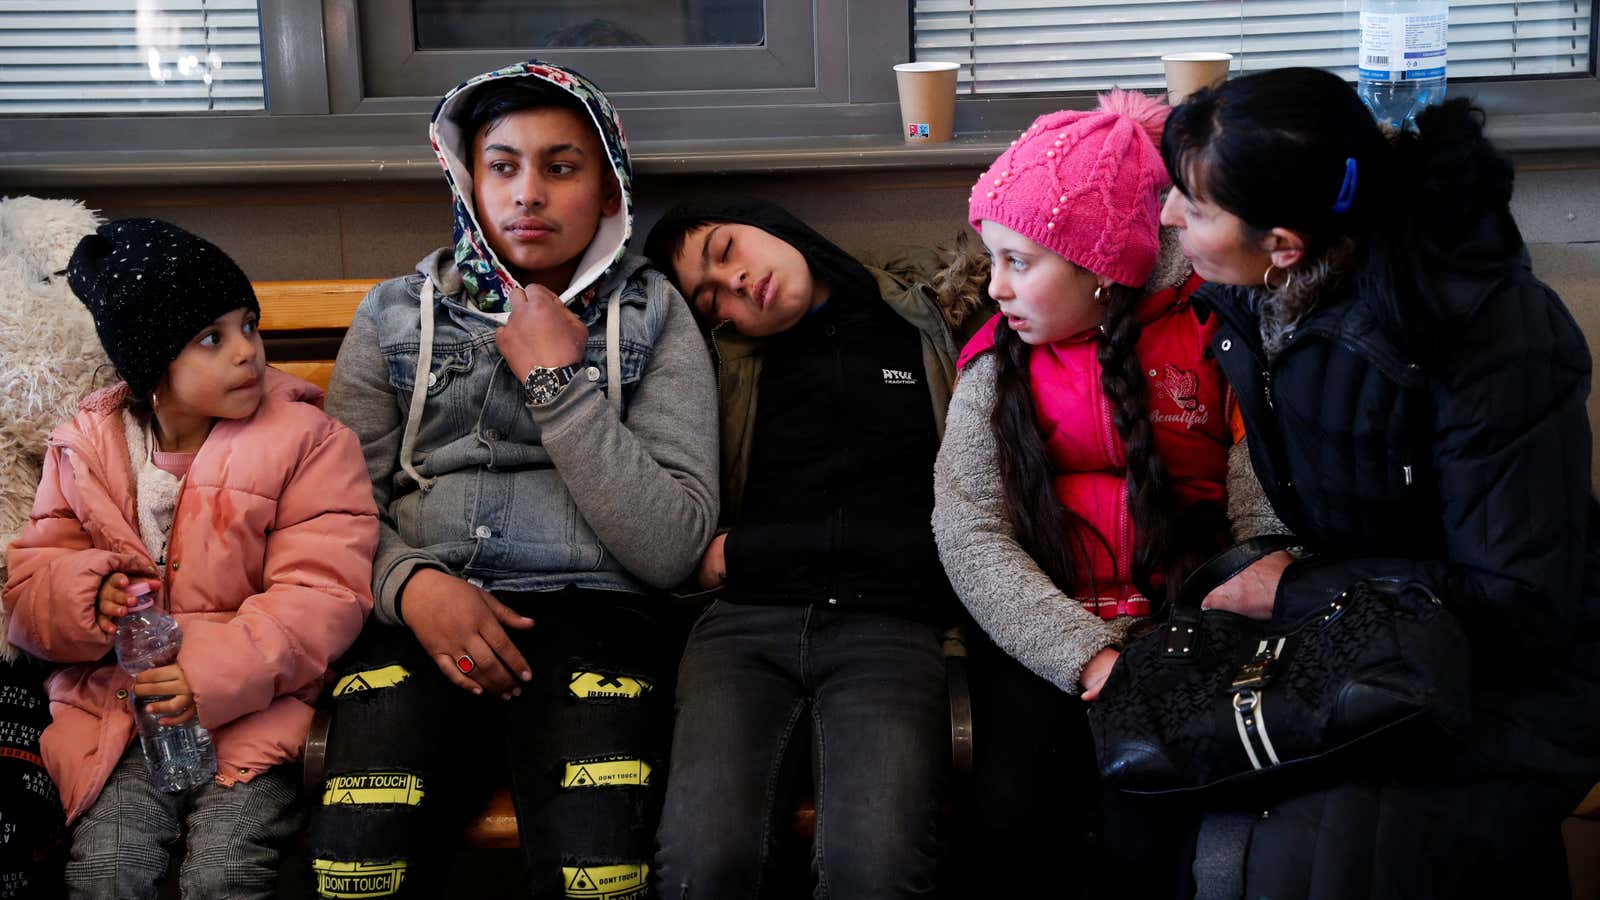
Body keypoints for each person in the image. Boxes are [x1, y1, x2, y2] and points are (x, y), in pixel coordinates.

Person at [1159, 66, 1600, 898]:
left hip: (1523, 669)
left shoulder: (1485, 332)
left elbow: (1521, 602)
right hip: (1384, 636)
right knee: (1184, 812)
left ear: (1283, 242)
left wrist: (1295, 591)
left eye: (1195, 205)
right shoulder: (1268, 292)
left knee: (1305, 867)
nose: (1167, 217)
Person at [306, 59, 718, 899]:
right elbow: (330, 512)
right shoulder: (393, 314)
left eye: (561, 167)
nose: (527, 193)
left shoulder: (655, 314)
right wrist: (410, 585)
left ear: (609, 191)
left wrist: (557, 384)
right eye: (503, 165)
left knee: (597, 873)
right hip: (418, 616)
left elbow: (674, 543)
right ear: (467, 176)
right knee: (358, 865)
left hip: (599, 616)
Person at [3, 218, 380, 899]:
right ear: (152, 362)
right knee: (107, 868)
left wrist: (205, 675)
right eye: (212, 338)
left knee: (225, 870)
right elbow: (30, 590)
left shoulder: (307, 441)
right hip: (120, 723)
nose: (247, 353)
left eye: (249, 326)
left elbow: (324, 594)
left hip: (256, 719)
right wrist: (89, 597)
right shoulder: (84, 448)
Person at [930, 91, 1243, 895]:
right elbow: (970, 535)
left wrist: (1202, 635)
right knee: (1016, 823)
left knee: (1163, 829)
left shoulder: (1212, 338)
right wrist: (1087, 654)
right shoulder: (993, 366)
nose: (993, 287)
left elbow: (1262, 509)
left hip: (1188, 634)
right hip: (1042, 646)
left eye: (1019, 262)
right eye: (990, 256)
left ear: (1101, 266)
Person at [643, 199, 986, 897]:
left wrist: (752, 551)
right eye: (710, 299)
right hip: (744, 631)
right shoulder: (722, 368)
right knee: (701, 867)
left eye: (728, 248)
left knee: (878, 870)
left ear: (767, 221)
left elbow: (960, 524)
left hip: (890, 630)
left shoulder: (924, 320)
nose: (735, 284)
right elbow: (667, 513)